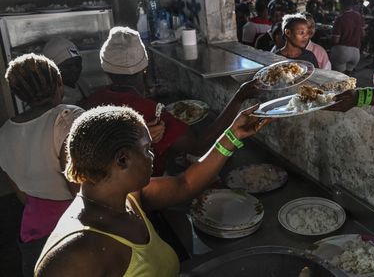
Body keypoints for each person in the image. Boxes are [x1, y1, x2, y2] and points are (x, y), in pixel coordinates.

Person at [34, 104, 271, 276]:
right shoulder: (76, 255)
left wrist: (234, 135)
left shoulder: (126, 198)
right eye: (147, 149)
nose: (153, 155)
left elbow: (185, 184)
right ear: (123, 160)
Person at [85, 27, 259, 176]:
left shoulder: (94, 100)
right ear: (145, 68)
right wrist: (239, 97)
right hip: (147, 187)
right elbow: (199, 145)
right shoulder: (151, 112)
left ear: (106, 68)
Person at [0, 54, 84, 277]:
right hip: (75, 229)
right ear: (59, 82)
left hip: (34, 231)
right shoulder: (68, 118)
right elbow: (79, 186)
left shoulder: (4, 133)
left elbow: (23, 195)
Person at [330, 0, 364, 74]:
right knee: (348, 80)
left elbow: (335, 40)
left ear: (341, 2)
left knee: (339, 80)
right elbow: (362, 34)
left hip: (341, 52)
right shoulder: (358, 16)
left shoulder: (340, 18)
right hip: (356, 54)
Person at [41, 37, 85, 105]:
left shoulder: (81, 84)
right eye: (68, 66)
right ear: (52, 69)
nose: (75, 69)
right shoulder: (49, 97)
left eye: (78, 64)